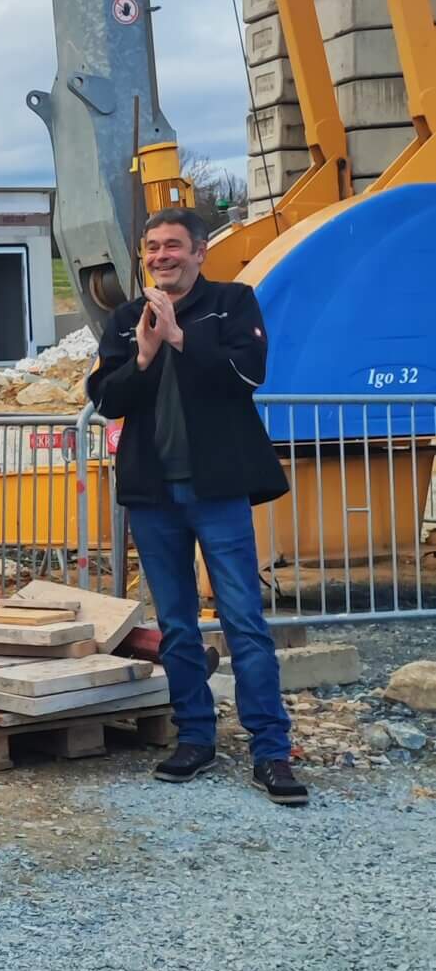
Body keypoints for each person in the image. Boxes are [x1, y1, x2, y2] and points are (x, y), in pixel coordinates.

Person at [87, 204, 307, 806]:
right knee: (178, 626)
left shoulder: (232, 304)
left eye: (173, 246)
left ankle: (271, 751)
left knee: (243, 621)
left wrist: (181, 340)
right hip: (153, 495)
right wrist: (144, 355)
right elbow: (106, 398)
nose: (161, 256)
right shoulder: (126, 319)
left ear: (199, 252)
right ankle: (195, 738)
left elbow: (247, 376)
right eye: (152, 247)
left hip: (217, 491)